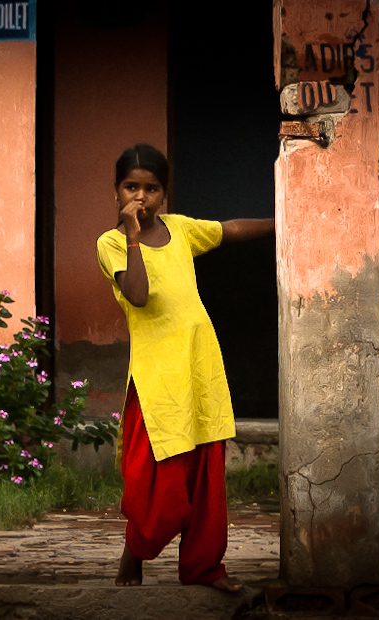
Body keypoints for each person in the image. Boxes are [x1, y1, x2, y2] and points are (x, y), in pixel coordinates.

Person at [95, 143, 274, 593]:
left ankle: (204, 569)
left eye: (151, 189)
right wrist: (133, 236)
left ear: (164, 194)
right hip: (157, 380)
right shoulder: (112, 243)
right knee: (160, 489)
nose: (141, 197)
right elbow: (138, 294)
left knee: (207, 481)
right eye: (131, 187)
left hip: (199, 367)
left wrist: (285, 217)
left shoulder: (181, 229)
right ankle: (134, 551)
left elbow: (229, 229)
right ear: (115, 191)